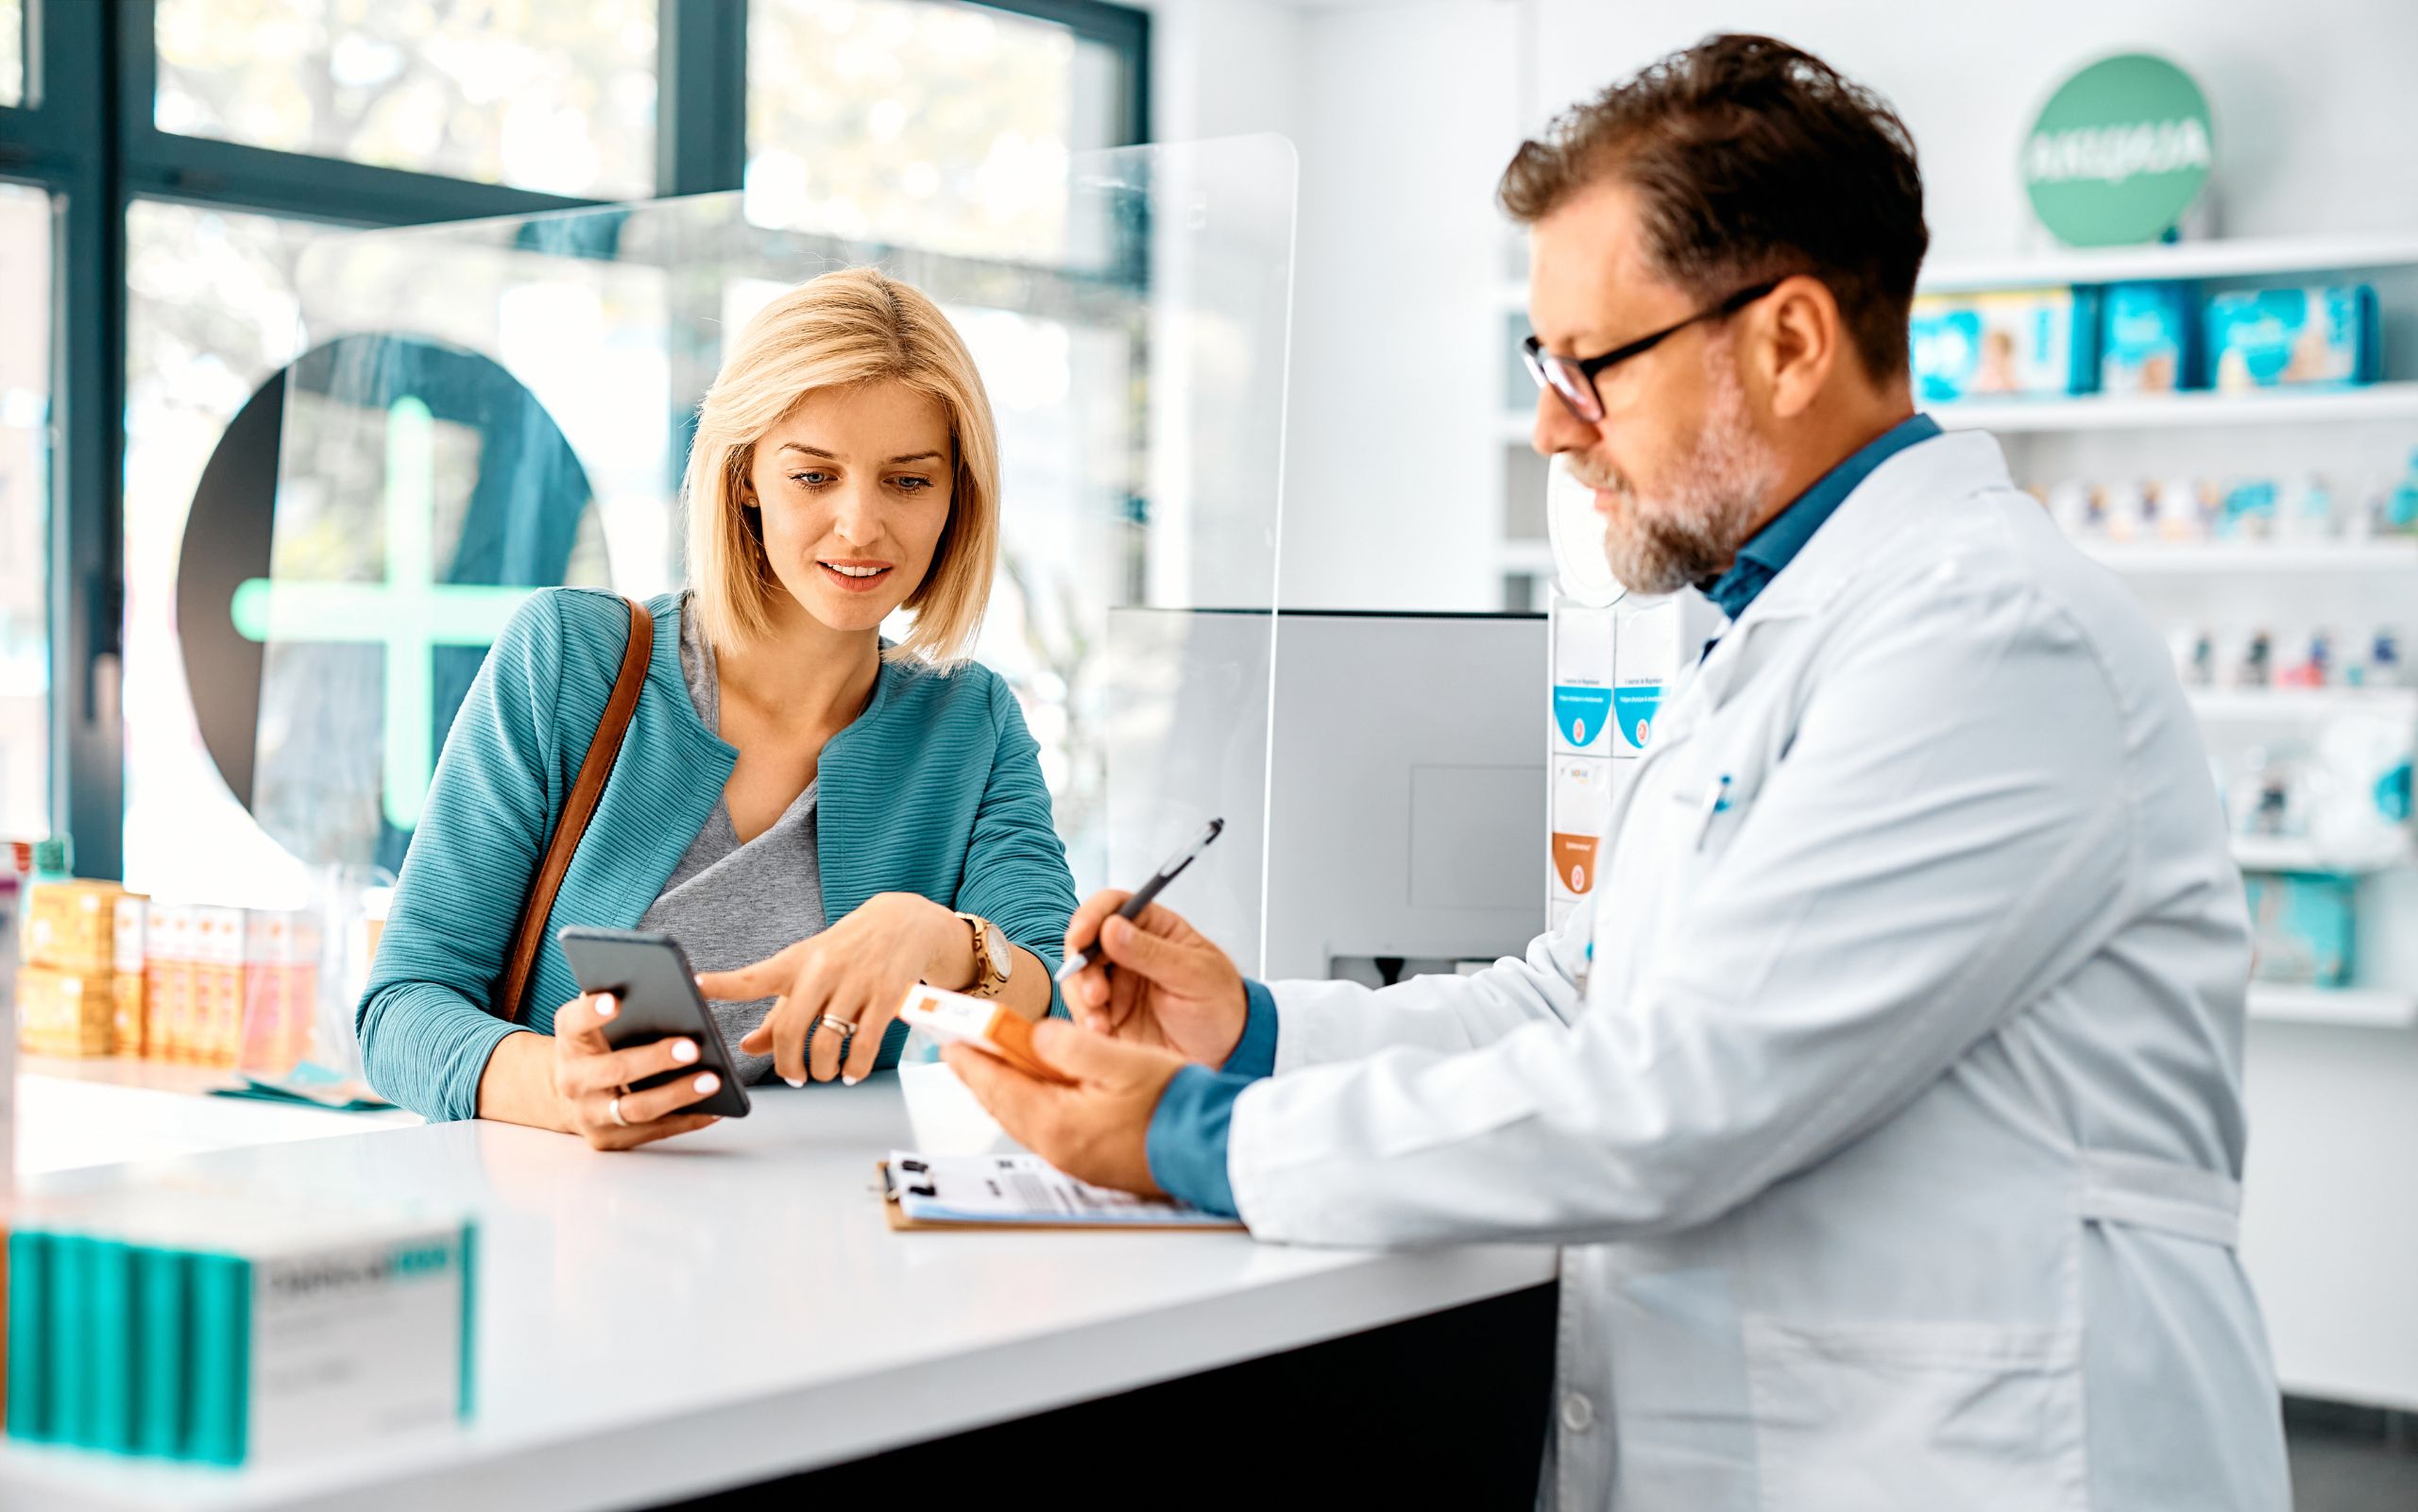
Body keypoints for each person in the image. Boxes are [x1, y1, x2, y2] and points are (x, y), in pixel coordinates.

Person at [943, 34, 2290, 1510]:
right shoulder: (1769, 637)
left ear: (1786, 342)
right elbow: (1572, 1002)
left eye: (1591, 365)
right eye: (1544, 364)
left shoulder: (1991, 641)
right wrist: (1251, 1031)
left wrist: (1185, 1138)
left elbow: (1676, 1094)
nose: (1549, 426)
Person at [361, 269, 1076, 1149]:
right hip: (573, 1227)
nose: (859, 525)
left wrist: (936, 939)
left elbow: (1061, 1006)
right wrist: (562, 1085)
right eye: (815, 475)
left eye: (908, 481)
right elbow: (400, 1009)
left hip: (830, 1241)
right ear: (744, 477)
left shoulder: (970, 726)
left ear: (955, 496)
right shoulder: (569, 660)